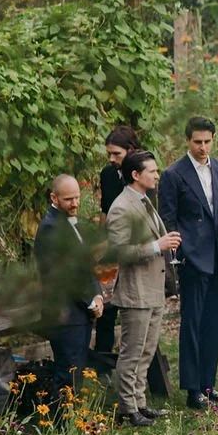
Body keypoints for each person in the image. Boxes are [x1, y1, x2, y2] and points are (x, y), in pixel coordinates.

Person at [159, 116, 218, 411]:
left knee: (214, 323)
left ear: (213, 139)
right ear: (187, 141)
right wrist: (179, 254)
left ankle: (208, 383)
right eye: (197, 142)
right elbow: (167, 217)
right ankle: (193, 389)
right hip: (193, 257)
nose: (203, 147)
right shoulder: (173, 174)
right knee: (192, 323)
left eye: (207, 141)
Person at [104, 151, 177, 427]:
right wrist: (157, 246)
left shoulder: (145, 201)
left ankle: (139, 402)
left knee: (147, 350)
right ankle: (127, 408)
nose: (157, 175)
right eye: (152, 171)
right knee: (132, 352)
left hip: (153, 288)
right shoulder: (122, 207)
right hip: (136, 292)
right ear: (136, 175)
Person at [34, 174, 102, 397]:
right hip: (65, 314)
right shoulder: (50, 229)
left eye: (77, 198)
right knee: (67, 374)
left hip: (80, 312)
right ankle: (62, 427)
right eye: (68, 199)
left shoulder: (73, 224)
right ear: (54, 197)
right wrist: (90, 299)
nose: (74, 204)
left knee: (77, 371)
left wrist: (98, 295)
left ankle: (73, 424)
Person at [93, 124, 139, 357]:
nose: (111, 158)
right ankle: (102, 357)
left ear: (131, 151)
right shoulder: (108, 174)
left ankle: (133, 355)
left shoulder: (142, 175)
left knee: (132, 303)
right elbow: (105, 211)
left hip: (134, 246)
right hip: (110, 247)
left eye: (116, 154)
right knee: (106, 305)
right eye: (109, 154)